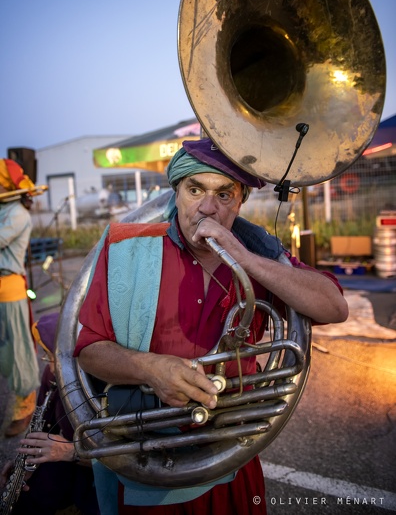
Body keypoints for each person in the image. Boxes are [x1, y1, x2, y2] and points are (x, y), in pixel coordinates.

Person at [74, 138, 349, 514]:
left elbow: (334, 307)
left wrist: (242, 255)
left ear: (240, 203)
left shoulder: (256, 252)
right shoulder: (125, 247)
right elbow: (87, 349)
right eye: (195, 189)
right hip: (146, 462)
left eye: (224, 195)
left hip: (231, 458)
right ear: (176, 192)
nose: (207, 208)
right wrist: (150, 368)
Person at [0, 312, 100, 515]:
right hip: (66, 458)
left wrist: (70, 451)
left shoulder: (99, 385)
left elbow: (124, 461)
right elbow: (44, 425)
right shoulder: (53, 373)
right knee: (26, 498)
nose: (49, 365)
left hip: (96, 471)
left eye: (52, 356)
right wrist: (25, 464)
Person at [0, 158, 40, 437]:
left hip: (10, 288)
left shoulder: (16, 213)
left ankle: (25, 408)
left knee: (17, 352)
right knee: (5, 351)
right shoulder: (6, 209)